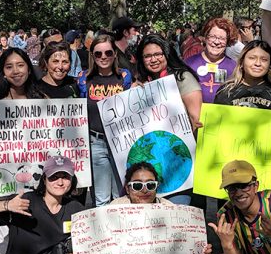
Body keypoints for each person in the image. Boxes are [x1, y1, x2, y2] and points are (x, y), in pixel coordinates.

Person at [77, 32, 132, 207]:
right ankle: (102, 234)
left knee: (119, 196)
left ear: (115, 54)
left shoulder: (124, 76)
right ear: (92, 55)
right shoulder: (84, 78)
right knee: (101, 199)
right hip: (96, 143)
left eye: (108, 52)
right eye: (98, 53)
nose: (103, 57)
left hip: (120, 143)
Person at [135, 35, 202, 131]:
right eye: (147, 56)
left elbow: (196, 119)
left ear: (167, 54)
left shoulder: (183, 78)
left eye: (158, 54)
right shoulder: (142, 82)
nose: (153, 60)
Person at [214, 39, 271, 112]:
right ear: (242, 62)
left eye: (264, 60)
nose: (257, 63)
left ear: (270, 65)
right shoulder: (225, 92)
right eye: (252, 58)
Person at [184, 18, 237, 103]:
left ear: (228, 41)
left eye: (222, 38)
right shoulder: (189, 63)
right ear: (205, 38)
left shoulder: (234, 67)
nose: (216, 42)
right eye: (213, 37)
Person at [110, 162, 176, 206]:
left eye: (150, 185)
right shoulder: (115, 207)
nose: (144, 190)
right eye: (137, 185)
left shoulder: (170, 208)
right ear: (127, 188)